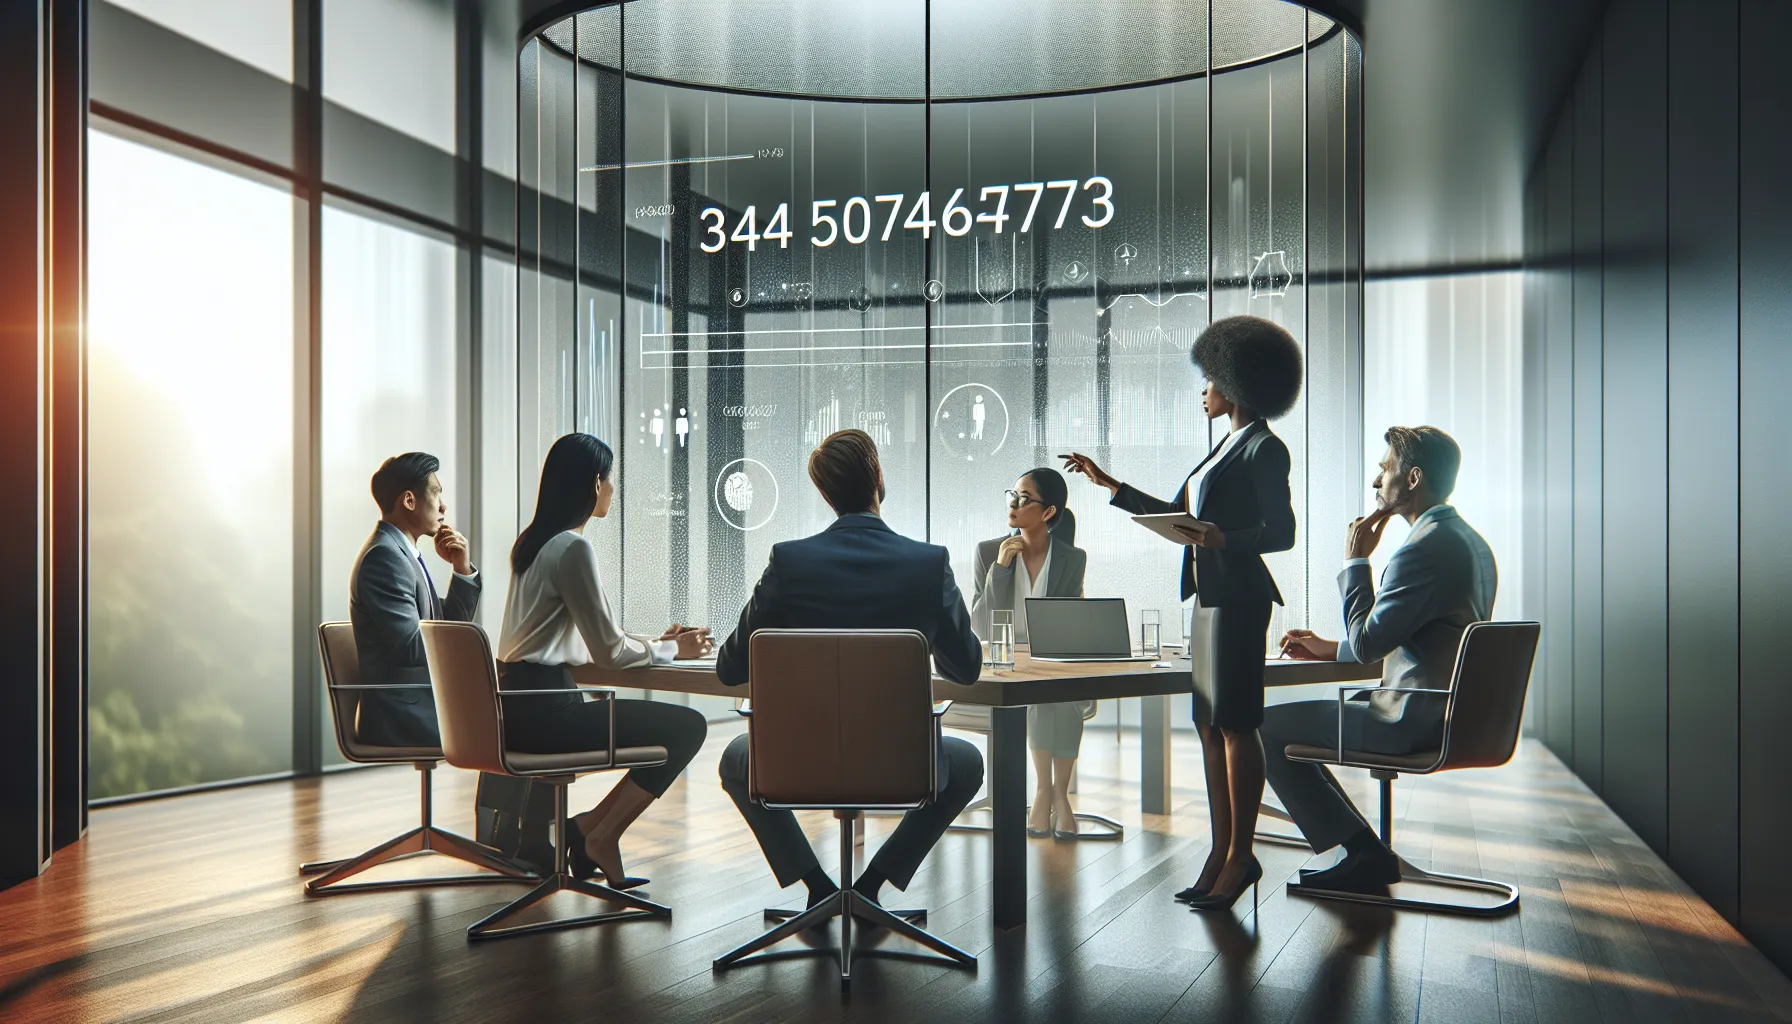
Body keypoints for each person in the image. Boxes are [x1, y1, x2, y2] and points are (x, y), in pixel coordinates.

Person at [1063, 314, 1302, 913]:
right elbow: (1178, 514)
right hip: (1209, 601)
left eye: (1209, 378)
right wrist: (1111, 485)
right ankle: (1223, 852)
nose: (1203, 389)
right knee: (1208, 724)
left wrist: (1222, 539)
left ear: (1236, 382)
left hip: (1240, 602)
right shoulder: (1226, 446)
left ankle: (1241, 854)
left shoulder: (1266, 449)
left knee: (1235, 724)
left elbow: (1283, 532)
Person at [717, 429, 984, 910]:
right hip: (902, 766)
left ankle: (818, 889)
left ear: (824, 494)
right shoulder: (928, 564)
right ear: (879, 477)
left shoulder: (789, 562)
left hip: (796, 762)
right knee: (966, 762)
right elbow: (965, 669)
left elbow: (730, 667)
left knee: (737, 756)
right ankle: (871, 887)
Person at [1269, 426, 1496, 893]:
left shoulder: (1421, 551)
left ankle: (1361, 853)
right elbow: (1406, 637)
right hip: (1451, 714)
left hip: (1408, 720)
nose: (1376, 482)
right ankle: (1363, 851)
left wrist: (1356, 562)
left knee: (1261, 728)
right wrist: (1330, 649)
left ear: (1412, 478)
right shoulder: (1469, 543)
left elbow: (1370, 646)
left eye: (1385, 469)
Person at [495, 432, 712, 888]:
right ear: (595, 484)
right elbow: (610, 653)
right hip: (548, 715)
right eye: (610, 479)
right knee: (688, 728)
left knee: (673, 728)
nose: (613, 489)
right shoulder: (573, 549)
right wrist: (676, 650)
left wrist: (658, 641)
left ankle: (593, 831)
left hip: (516, 707)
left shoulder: (534, 545)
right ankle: (597, 832)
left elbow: (587, 635)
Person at [968, 468, 1089, 840]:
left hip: (1052, 661)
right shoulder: (990, 552)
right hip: (1006, 665)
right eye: (1013, 495)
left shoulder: (1072, 558)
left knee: (1063, 699)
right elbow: (980, 624)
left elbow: (1071, 621)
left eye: (1024, 498)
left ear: (1048, 512)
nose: (1013, 504)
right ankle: (1043, 790)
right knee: (1039, 695)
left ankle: (1058, 795)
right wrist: (1000, 571)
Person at [349, 452, 481, 748]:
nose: (443, 505)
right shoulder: (385, 557)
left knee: (507, 722)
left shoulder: (400, 552)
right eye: (436, 493)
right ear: (409, 501)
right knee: (505, 727)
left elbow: (443, 626)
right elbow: (411, 647)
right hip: (402, 715)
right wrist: (469, 657)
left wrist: (461, 570)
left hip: (417, 706)